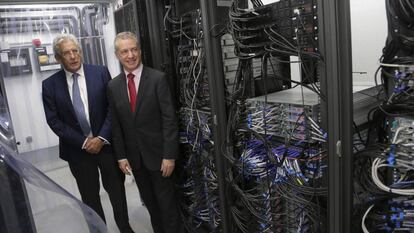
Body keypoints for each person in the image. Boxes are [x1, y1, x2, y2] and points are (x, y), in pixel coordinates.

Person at [42, 34, 134, 233]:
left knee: (117, 192)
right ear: (58, 58)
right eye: (67, 53)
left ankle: (125, 228)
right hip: (78, 151)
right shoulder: (49, 85)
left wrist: (100, 138)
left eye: (76, 51)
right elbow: (54, 121)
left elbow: (112, 109)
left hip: (106, 146)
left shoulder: (100, 73)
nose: (73, 56)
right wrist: (84, 142)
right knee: (90, 196)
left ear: (81, 53)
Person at [107, 31, 182, 233]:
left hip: (160, 158)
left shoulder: (157, 79)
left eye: (134, 49)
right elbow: (116, 125)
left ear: (139, 51)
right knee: (151, 206)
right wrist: (121, 156)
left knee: (168, 207)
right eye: (125, 51)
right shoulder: (113, 86)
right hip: (136, 160)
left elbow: (169, 120)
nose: (130, 55)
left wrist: (169, 155)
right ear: (117, 55)